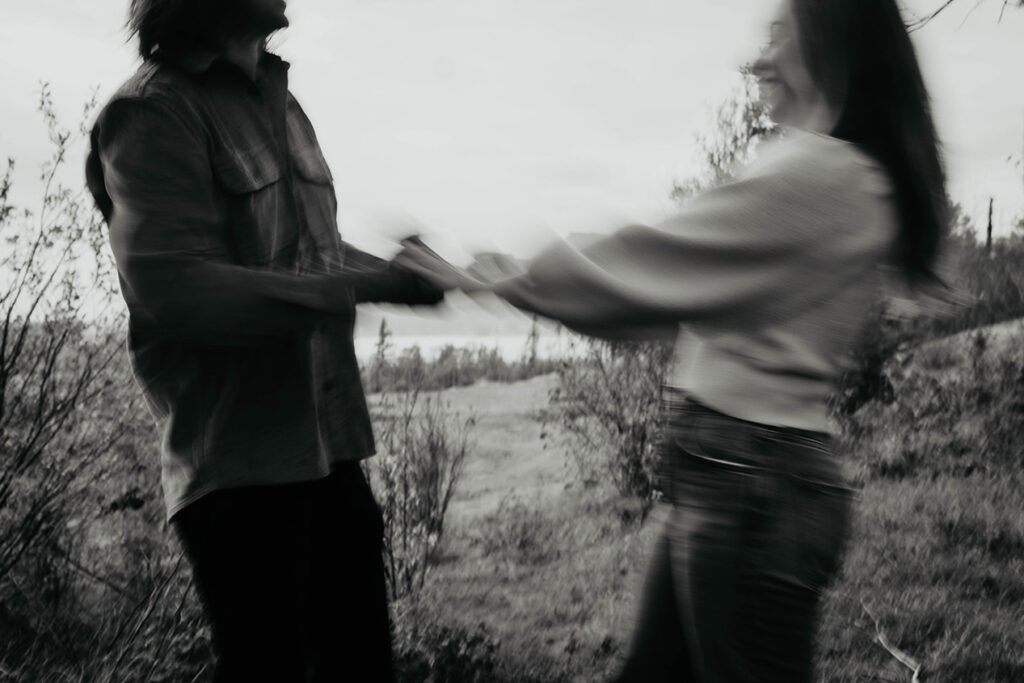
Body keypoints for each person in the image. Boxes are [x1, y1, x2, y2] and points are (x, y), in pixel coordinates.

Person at [395, 0, 947, 680]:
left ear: (829, 41)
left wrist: (490, 274)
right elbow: (668, 296)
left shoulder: (827, 173)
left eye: (778, 36)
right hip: (734, 474)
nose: (759, 60)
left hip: (754, 484)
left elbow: (644, 264)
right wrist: (505, 277)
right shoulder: (836, 174)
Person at [85, 1, 443, 680]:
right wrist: (359, 289)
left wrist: (401, 276)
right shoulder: (151, 114)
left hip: (330, 452)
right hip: (239, 473)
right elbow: (177, 290)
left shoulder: (283, 101)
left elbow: (316, 252)